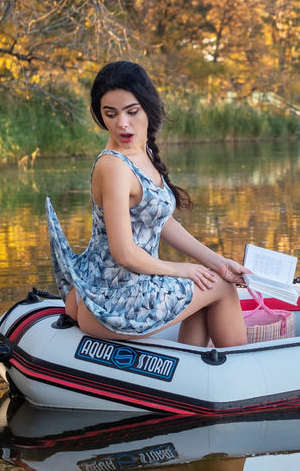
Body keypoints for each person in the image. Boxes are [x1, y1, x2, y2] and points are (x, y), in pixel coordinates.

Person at [46, 61, 248, 347]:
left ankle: (193, 378)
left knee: (211, 282)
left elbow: (162, 221)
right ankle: (245, 372)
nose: (122, 124)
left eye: (131, 112)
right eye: (110, 114)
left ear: (148, 108)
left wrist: (217, 262)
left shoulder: (145, 151)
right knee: (223, 288)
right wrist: (182, 269)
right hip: (115, 297)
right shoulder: (113, 166)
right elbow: (124, 254)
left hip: (137, 284)